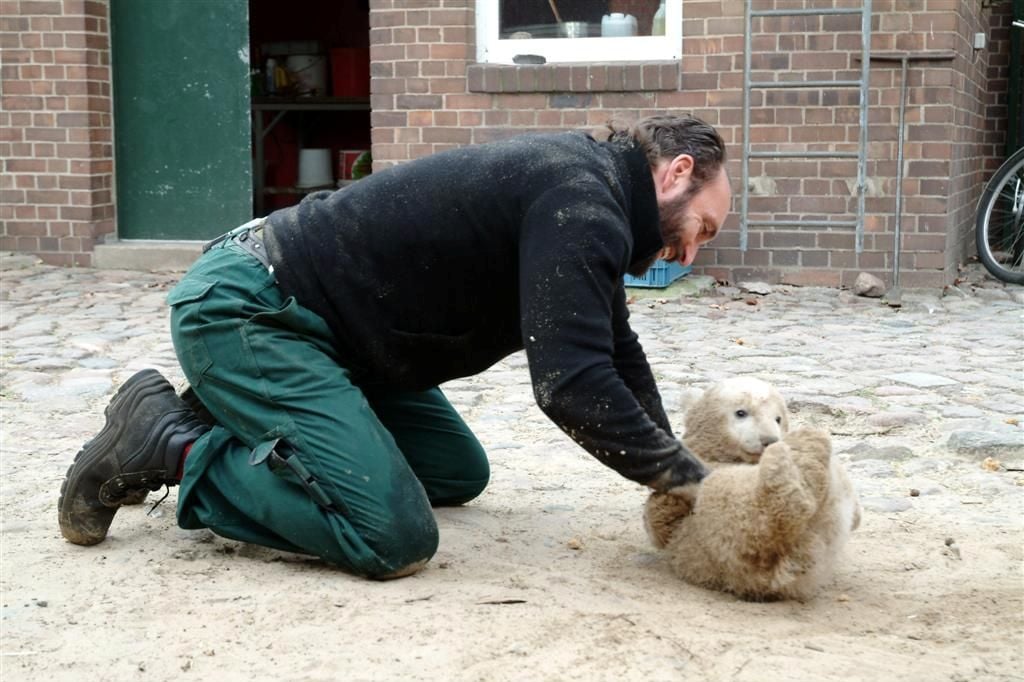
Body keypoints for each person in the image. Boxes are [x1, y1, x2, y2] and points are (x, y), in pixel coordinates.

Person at [58, 114, 732, 579]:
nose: (692, 250)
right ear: (676, 172)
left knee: (455, 471)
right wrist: (697, 484)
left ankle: (234, 410)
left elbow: (616, 352)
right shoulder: (583, 202)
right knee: (392, 536)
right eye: (702, 227)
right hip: (252, 307)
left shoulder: (592, 196)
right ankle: (172, 443)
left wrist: (679, 476)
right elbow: (573, 385)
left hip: (341, 341)